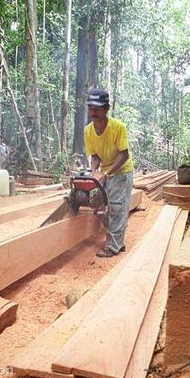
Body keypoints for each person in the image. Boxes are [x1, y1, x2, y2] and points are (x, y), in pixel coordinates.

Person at [84, 88, 134, 258]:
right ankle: (116, 241)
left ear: (106, 108)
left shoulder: (118, 127)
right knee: (102, 205)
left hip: (121, 171)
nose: (93, 112)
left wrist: (108, 173)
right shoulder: (88, 131)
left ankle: (113, 246)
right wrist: (94, 171)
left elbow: (124, 154)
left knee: (117, 207)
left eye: (97, 109)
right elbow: (95, 156)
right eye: (90, 108)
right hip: (105, 171)